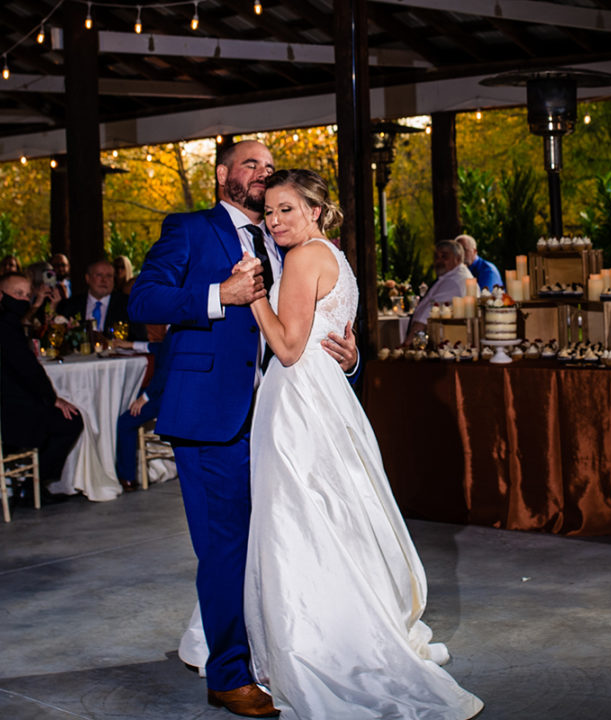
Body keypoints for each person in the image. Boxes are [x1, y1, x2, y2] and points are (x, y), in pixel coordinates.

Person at [234, 168, 483, 719]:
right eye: (270, 211)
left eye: (287, 210)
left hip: (297, 400)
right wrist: (348, 360)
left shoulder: (301, 258)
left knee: (294, 517)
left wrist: (253, 297)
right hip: (328, 396)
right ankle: (348, 624)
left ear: (315, 211)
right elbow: (331, 340)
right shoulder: (335, 256)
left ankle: (314, 642)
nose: (275, 221)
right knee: (335, 514)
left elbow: (289, 346)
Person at [127, 139, 359, 719]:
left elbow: (307, 323)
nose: (263, 173)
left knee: (278, 541)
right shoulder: (189, 228)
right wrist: (218, 295)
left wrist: (351, 358)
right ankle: (228, 674)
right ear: (223, 174)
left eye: (270, 167)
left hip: (285, 418)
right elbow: (143, 299)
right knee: (226, 546)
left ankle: (276, 649)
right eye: (251, 164)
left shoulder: (289, 240)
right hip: (213, 417)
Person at [0, 273, 83, 489]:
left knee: (35, 413)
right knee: (70, 420)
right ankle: (33, 487)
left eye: (27, 295)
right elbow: (28, 369)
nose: (23, 300)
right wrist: (52, 398)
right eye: (18, 294)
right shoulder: (5, 324)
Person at [113, 332, 168, 492]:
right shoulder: (173, 328)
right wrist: (130, 344)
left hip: (167, 394)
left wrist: (146, 397)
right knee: (126, 399)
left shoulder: (177, 326)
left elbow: (166, 369)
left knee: (125, 421)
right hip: (163, 389)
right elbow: (159, 347)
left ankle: (127, 478)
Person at [405, 239, 476, 343]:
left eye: (444, 256)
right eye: (436, 257)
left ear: (458, 258)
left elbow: (426, 316)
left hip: (445, 343)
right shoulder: (451, 276)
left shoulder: (453, 281)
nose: (439, 261)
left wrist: (408, 344)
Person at [55, 259, 131, 336]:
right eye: (99, 275)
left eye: (109, 276)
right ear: (88, 278)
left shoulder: (128, 305)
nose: (104, 280)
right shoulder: (71, 305)